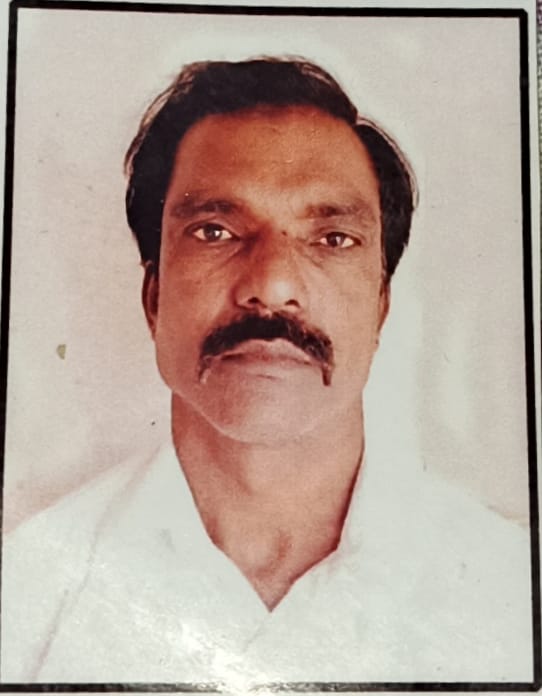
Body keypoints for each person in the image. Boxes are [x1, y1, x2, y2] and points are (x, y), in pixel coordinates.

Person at [1, 58, 532, 686]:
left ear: (380, 306)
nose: (273, 286)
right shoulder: (25, 595)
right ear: (154, 297)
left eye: (332, 239)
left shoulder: (512, 595)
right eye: (216, 231)